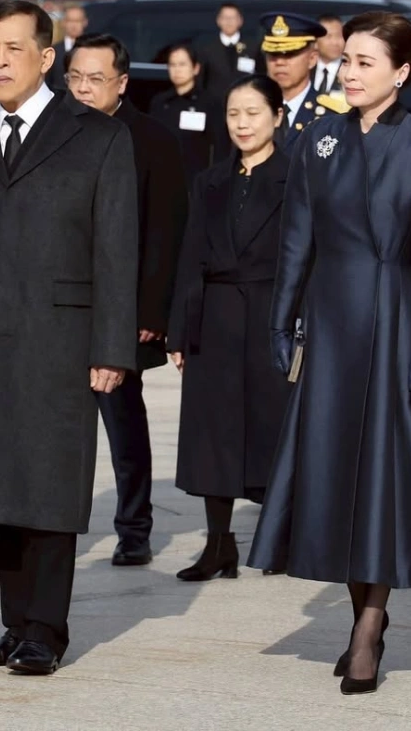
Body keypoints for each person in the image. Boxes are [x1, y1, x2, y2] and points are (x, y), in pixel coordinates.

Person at [247, 12, 411, 695]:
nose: (349, 72)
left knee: (382, 481)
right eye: (345, 59)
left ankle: (368, 627)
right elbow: (297, 236)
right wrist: (281, 317)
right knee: (338, 479)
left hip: (398, 321)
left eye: (364, 62)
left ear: (401, 72)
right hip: (330, 326)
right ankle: (365, 619)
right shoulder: (318, 138)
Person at [0, 0, 139, 673]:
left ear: (48, 58)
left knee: (47, 479)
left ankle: (47, 626)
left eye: (14, 49)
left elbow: (115, 249)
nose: (0, 61)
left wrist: (112, 346)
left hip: (61, 333)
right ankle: (15, 622)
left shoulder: (96, 135)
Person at [66, 33, 188, 568]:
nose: (84, 89)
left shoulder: (152, 139)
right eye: (75, 78)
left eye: (96, 79)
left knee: (122, 421)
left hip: (122, 308)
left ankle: (134, 526)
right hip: (61, 304)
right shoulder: (55, 133)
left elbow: (165, 231)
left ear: (122, 82)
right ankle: (54, 521)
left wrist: (150, 312)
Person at [167, 74, 291, 582]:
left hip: (269, 314)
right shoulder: (210, 180)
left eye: (253, 113)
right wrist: (179, 330)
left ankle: (281, 538)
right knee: (212, 434)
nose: (242, 123)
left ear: (277, 118)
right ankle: (219, 544)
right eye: (234, 114)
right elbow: (190, 255)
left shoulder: (298, 178)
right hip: (213, 318)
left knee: (271, 428)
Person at [148, 43, 230, 182]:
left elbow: (221, 148)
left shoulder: (210, 103)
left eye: (182, 64)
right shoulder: (159, 102)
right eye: (172, 65)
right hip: (162, 178)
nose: (177, 70)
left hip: (196, 182)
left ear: (195, 68)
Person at [261, 12, 337, 155]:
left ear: (312, 58)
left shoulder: (331, 118)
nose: (280, 62)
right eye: (273, 54)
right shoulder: (252, 113)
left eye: (290, 54)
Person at [196, 3, 260, 100]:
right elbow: (201, 80)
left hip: (245, 102)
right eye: (225, 18)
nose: (229, 22)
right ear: (218, 21)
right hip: (215, 104)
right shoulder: (207, 48)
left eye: (233, 18)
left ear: (240, 21)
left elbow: (261, 75)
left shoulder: (252, 46)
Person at [48, 4, 88, 88]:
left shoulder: (91, 50)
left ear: (85, 22)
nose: (74, 25)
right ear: (63, 22)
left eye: (78, 21)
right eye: (70, 21)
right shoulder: (53, 51)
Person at [312, 14, 344, 96]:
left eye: (339, 36)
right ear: (315, 40)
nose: (335, 42)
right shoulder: (305, 69)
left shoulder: (349, 71)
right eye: (328, 37)